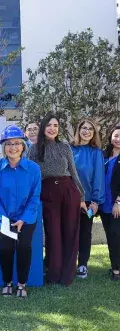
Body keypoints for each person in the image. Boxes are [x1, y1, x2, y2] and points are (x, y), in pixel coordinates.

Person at [28, 114, 84, 286]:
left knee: (70, 232)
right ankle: (53, 273)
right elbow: (32, 176)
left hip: (69, 190)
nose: (53, 128)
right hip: (48, 191)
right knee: (53, 233)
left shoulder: (64, 146)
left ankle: (67, 275)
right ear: (43, 128)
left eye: (56, 126)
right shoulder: (34, 149)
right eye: (49, 125)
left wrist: (81, 196)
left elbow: (73, 172)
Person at [0, 125, 41, 298]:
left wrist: (23, 219)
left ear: (24, 146)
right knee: (6, 249)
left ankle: (22, 284)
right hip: (3, 217)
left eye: (17, 143)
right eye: (9, 144)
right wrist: (5, 218)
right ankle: (8, 282)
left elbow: (35, 196)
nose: (13, 147)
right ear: (4, 147)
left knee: (24, 247)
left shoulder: (33, 169)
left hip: (27, 217)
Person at [71, 119, 105, 279]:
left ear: (94, 133)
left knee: (85, 232)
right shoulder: (69, 149)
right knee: (69, 232)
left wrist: (96, 201)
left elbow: (98, 176)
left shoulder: (96, 152)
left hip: (89, 201)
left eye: (90, 129)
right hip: (70, 199)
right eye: (83, 128)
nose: (86, 131)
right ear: (78, 130)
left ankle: (82, 265)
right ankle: (67, 263)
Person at [99, 126, 120, 281]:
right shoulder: (104, 155)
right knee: (111, 237)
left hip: (116, 205)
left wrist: (118, 201)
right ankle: (115, 266)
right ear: (111, 137)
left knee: (115, 236)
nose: (118, 139)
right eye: (116, 135)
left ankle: (116, 271)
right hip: (104, 204)